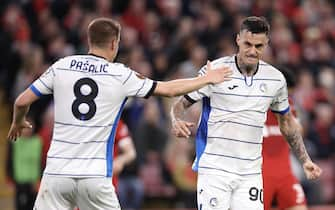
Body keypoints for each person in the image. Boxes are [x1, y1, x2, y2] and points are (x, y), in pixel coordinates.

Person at [7, 17, 232, 210]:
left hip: (56, 174)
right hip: (95, 177)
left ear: (89, 40)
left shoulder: (62, 66)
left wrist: (18, 122)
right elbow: (168, 89)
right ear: (114, 44)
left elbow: (21, 101)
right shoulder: (120, 74)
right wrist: (206, 79)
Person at [170, 16, 322, 210]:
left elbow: (287, 124)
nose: (252, 51)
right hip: (215, 169)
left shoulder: (275, 80)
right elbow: (180, 104)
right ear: (238, 40)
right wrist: (176, 119)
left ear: (266, 44)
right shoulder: (215, 70)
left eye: (258, 46)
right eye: (247, 44)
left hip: (250, 172)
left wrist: (305, 159)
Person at [262, 68, 307, 210]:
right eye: (287, 93)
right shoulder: (254, 106)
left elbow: (298, 134)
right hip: (259, 176)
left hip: (285, 175)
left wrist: (285, 115)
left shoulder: (289, 106)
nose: (288, 98)